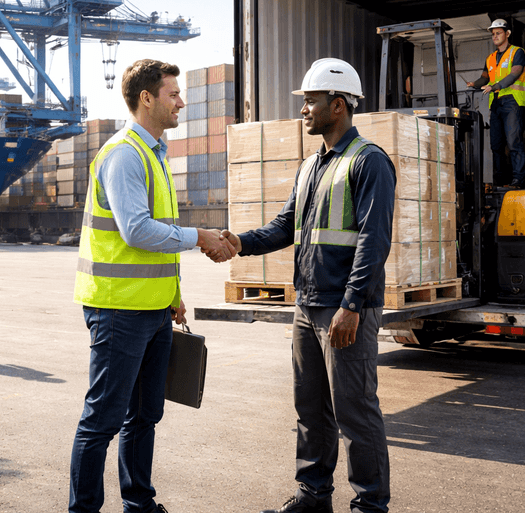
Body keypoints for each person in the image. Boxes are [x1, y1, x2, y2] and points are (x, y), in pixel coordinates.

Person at [222, 58, 396, 513]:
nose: (303, 109)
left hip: (345, 308)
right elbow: (285, 226)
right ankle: (313, 496)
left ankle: (370, 506)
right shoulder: (310, 166)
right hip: (308, 305)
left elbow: (374, 241)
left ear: (337, 105)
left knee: (355, 412)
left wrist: (352, 305)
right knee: (310, 409)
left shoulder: (369, 161)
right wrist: (240, 242)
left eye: (311, 101)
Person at [69, 59, 235, 513]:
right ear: (147, 98)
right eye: (173, 93)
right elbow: (137, 231)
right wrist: (200, 237)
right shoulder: (125, 154)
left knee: (144, 415)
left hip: (155, 309)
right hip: (118, 310)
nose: (181, 101)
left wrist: (173, 296)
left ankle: (139, 504)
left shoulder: (156, 155)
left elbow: (158, 239)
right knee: (102, 420)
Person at [466, 18, 525, 187]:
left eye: (498, 33)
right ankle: (500, 181)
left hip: (513, 101)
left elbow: (515, 73)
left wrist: (495, 86)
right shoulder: (491, 58)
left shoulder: (517, 52)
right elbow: (484, 78)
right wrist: (474, 83)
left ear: (507, 34)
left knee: (514, 142)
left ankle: (518, 180)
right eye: (493, 34)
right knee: (496, 145)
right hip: (496, 103)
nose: (495, 36)